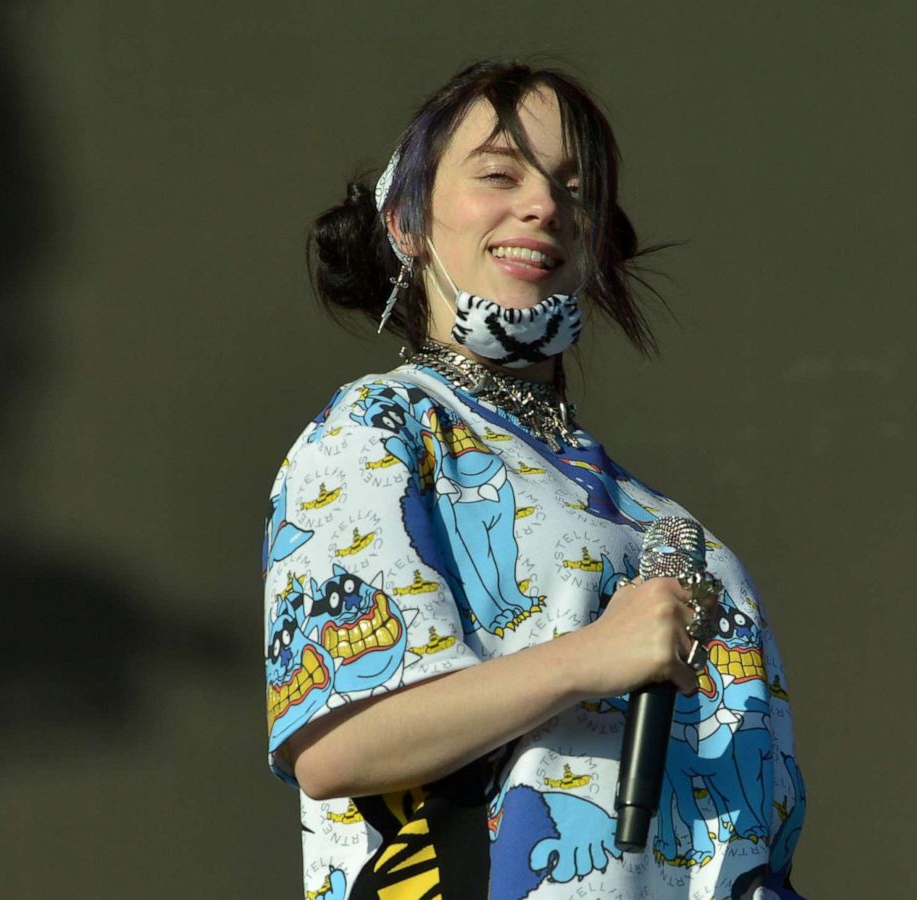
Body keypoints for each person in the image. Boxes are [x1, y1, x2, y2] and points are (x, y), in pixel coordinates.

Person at [263, 59, 807, 900]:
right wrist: (591, 656)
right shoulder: (381, 428)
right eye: (498, 174)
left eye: (574, 190)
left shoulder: (665, 526)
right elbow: (338, 747)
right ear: (407, 220)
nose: (544, 205)